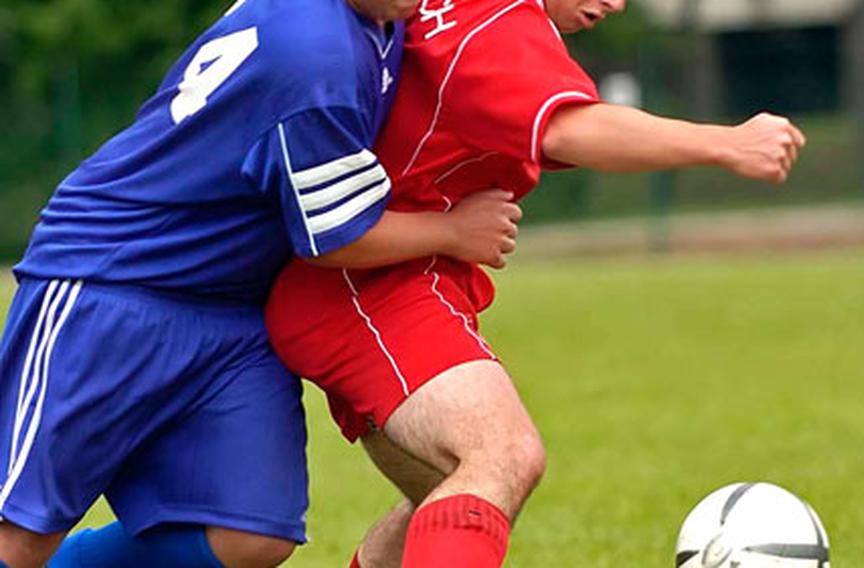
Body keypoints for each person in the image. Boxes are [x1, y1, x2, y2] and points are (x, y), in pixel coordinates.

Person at [265, 0, 808, 566]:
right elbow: (571, 129)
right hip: (368, 288)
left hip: (381, 280)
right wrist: (726, 144)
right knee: (501, 452)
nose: (616, 4)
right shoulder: (494, 24)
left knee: (446, 494)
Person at [0, 0, 522, 566]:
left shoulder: (374, 18)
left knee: (250, 536)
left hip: (232, 307)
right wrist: (451, 230)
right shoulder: (314, 53)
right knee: (21, 533)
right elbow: (332, 238)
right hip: (117, 282)